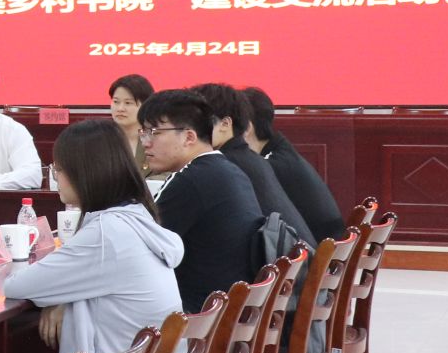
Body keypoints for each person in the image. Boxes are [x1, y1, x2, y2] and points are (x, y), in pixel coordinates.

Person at [0, 119, 183, 353]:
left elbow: (16, 286)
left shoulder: (106, 233)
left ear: (85, 173)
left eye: (59, 169)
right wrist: (62, 297)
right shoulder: (136, 216)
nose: (55, 177)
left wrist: (58, 295)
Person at [138, 89, 264, 312]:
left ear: (189, 137)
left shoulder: (191, 180)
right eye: (143, 132)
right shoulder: (229, 170)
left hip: (200, 316)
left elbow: (138, 246)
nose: (146, 143)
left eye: (154, 132)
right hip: (231, 310)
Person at [192, 83, 313, 248]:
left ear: (225, 124)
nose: (191, 131)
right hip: (296, 259)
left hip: (283, 260)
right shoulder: (250, 158)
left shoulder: (224, 165)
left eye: (198, 122)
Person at [243, 86, 348, 242]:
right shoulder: (281, 151)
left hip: (319, 250)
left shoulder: (272, 164)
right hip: (328, 247)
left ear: (247, 127)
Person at [107, 74, 155, 172]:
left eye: (128, 103)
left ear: (145, 105)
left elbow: (169, 173)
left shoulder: (156, 141)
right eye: (116, 102)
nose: (120, 108)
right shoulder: (99, 139)